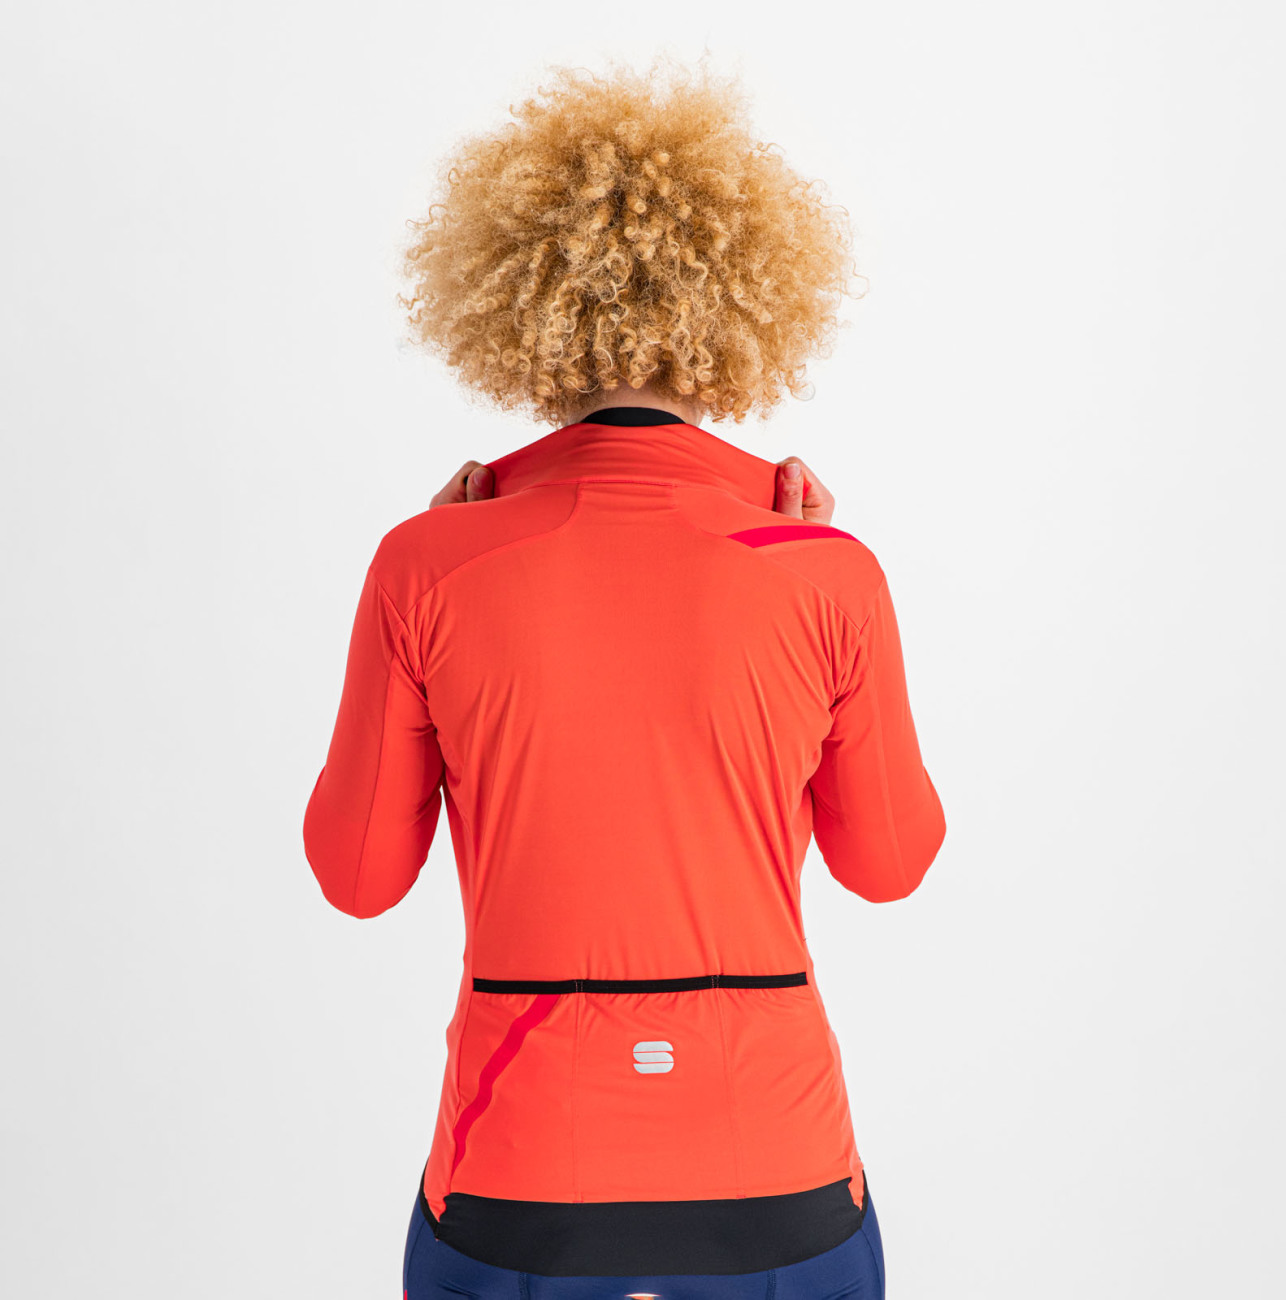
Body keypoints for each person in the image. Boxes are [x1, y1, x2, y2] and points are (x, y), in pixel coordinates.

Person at [303, 55, 945, 1300]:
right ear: (744, 303)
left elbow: (356, 876)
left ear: (514, 305)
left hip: (519, 1176)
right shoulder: (825, 569)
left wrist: (427, 557)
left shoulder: (426, 563)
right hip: (776, 1169)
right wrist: (819, 579)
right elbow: (891, 861)